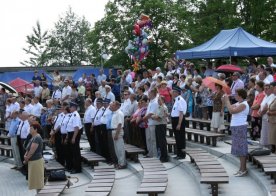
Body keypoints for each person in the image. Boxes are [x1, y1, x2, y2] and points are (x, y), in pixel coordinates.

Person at [222, 89, 249, 177]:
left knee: (242, 149)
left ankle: (243, 169)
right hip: (236, 127)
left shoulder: (244, 104)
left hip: (240, 127)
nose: (235, 96)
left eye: (236, 94)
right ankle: (241, 169)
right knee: (238, 149)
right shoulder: (238, 103)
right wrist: (224, 100)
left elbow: (232, 111)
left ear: (241, 95)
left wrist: (227, 101)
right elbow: (228, 107)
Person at [24, 122, 44, 192]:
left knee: (38, 181)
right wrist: (25, 155)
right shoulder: (33, 137)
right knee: (35, 181)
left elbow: (32, 150)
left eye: (31, 128)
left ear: (36, 130)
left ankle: (40, 194)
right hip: (32, 161)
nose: (30, 129)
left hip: (36, 161)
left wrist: (27, 158)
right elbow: (28, 148)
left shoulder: (37, 137)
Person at [107, 101, 126, 169]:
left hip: (117, 131)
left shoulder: (119, 113)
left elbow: (120, 124)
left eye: (113, 105)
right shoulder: (114, 113)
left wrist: (117, 134)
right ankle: (119, 162)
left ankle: (122, 163)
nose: (111, 107)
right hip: (113, 131)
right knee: (116, 149)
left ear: (117, 106)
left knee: (120, 149)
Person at [66, 102, 83, 174]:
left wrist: (73, 138)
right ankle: (74, 167)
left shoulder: (76, 115)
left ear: (74, 107)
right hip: (71, 134)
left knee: (76, 152)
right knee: (72, 152)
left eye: (70, 107)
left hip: (74, 134)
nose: (69, 108)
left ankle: (77, 168)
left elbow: (76, 127)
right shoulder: (72, 114)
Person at [171, 86, 187, 159]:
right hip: (175, 119)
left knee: (180, 137)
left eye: (173, 91)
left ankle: (182, 154)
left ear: (177, 92)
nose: (172, 92)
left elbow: (181, 113)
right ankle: (178, 153)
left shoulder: (180, 100)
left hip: (178, 120)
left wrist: (179, 124)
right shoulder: (176, 100)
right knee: (177, 138)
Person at [152, 96, 169, 162]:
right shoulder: (159, 107)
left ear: (163, 101)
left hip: (161, 125)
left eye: (159, 100)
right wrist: (154, 116)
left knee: (162, 142)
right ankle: (161, 156)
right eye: (158, 100)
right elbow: (154, 115)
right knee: (159, 142)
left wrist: (154, 116)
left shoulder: (163, 107)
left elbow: (158, 118)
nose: (158, 101)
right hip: (158, 125)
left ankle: (164, 157)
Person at [143, 88, 159, 158]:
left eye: (149, 93)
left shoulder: (155, 102)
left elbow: (151, 113)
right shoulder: (150, 102)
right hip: (149, 123)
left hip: (153, 123)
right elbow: (148, 112)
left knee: (153, 140)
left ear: (152, 94)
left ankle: (154, 155)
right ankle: (150, 153)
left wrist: (144, 118)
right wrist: (146, 119)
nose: (148, 95)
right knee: (149, 139)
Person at [267, 82, 276, 153]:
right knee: (272, 136)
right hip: (272, 120)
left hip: (274, 120)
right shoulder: (274, 97)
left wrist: (271, 113)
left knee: (274, 136)